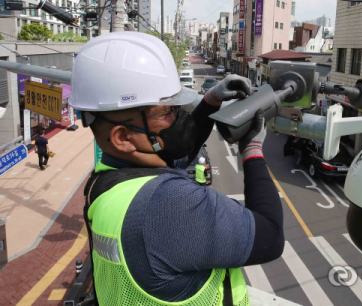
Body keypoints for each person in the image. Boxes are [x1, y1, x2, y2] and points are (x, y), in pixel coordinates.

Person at [70, 32, 284, 306]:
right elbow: (271, 236)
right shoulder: (167, 204)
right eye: (166, 112)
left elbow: (179, 149)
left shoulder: (107, 181)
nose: (177, 117)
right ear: (122, 137)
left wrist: (212, 100)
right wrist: (252, 151)